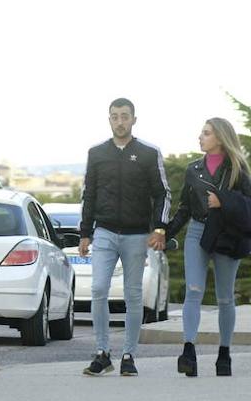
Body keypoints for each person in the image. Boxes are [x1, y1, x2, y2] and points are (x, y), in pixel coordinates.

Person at [80, 98, 171, 377]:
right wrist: (85, 233)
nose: (120, 121)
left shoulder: (147, 153)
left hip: (136, 235)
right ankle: (102, 353)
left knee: (133, 295)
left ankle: (129, 354)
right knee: (97, 290)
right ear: (109, 120)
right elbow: (89, 194)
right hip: (105, 232)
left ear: (134, 119)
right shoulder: (97, 153)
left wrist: (159, 228)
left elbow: (162, 193)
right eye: (115, 117)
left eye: (124, 116)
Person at [165, 118, 251, 377]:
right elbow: (184, 208)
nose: (200, 137)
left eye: (206, 133)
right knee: (194, 290)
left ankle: (224, 354)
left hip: (226, 235)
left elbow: (248, 204)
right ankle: (188, 351)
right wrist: (163, 233)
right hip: (197, 232)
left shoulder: (238, 169)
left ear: (220, 138)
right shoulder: (193, 170)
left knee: (225, 297)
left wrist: (222, 201)